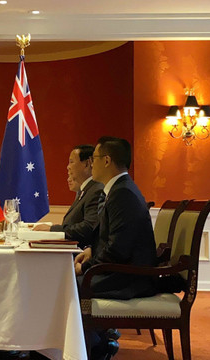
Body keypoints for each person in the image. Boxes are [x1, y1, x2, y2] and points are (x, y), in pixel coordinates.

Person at [74, 136, 157, 360]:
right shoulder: (120, 189)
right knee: (66, 282)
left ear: (107, 160)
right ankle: (93, 343)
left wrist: (87, 267)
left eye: (95, 158)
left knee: (68, 285)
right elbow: (113, 239)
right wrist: (92, 250)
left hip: (129, 278)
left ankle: (95, 347)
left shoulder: (123, 193)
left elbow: (118, 250)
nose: (92, 164)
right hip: (123, 270)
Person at [34, 145, 103, 248]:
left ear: (87, 163)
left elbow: (88, 227)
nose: (68, 167)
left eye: (72, 162)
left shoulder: (96, 190)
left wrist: (53, 229)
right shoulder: (85, 190)